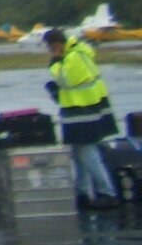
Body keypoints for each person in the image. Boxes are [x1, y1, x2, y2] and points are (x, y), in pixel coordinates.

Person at [43, 27, 119, 208]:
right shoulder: (79, 51)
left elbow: (64, 81)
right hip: (86, 108)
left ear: (56, 44)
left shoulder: (72, 57)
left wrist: (54, 60)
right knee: (79, 153)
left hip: (82, 111)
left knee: (88, 153)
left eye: (50, 47)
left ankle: (107, 192)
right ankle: (82, 192)